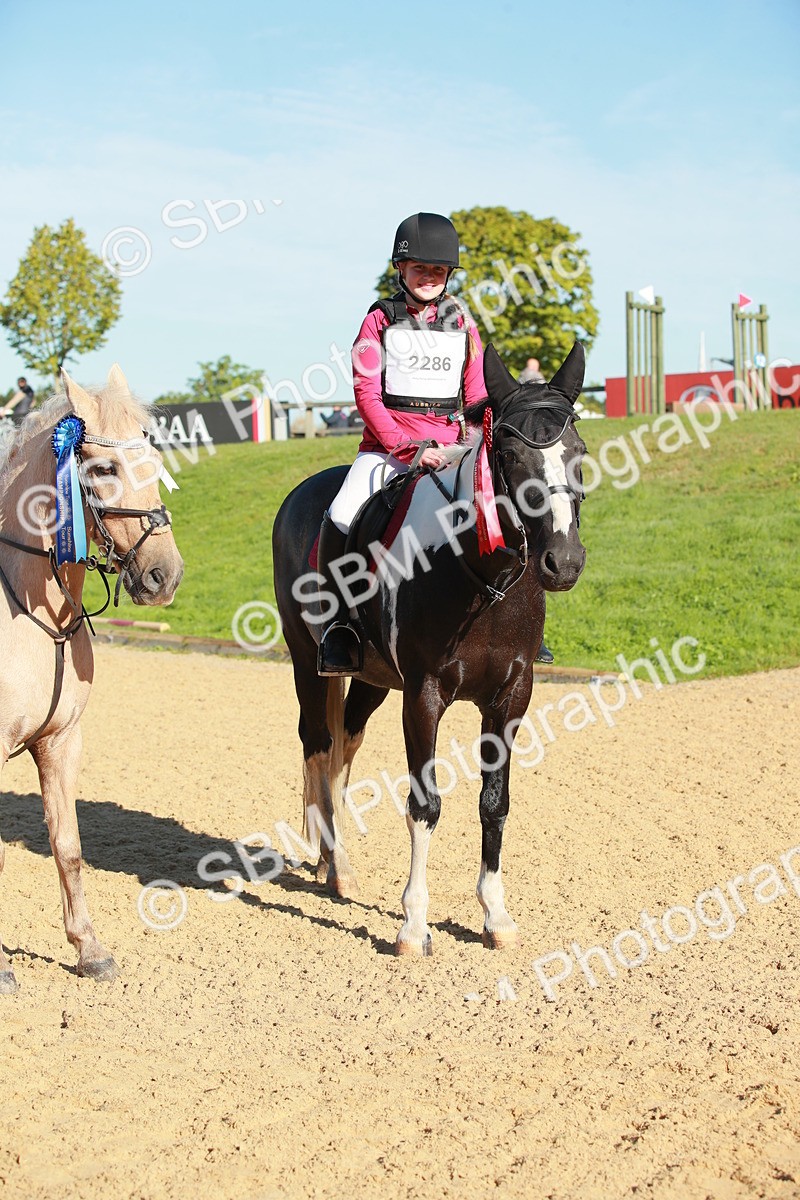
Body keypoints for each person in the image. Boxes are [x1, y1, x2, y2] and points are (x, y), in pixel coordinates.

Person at [317, 211, 487, 676]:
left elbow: (475, 393)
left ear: (448, 275)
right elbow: (366, 394)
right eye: (420, 269)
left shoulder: (463, 326)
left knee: (506, 507)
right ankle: (339, 625)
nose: (429, 277)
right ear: (401, 271)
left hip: (453, 450)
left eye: (437, 270)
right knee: (342, 513)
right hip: (388, 452)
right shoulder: (378, 321)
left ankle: (520, 623)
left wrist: (473, 445)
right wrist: (407, 448)